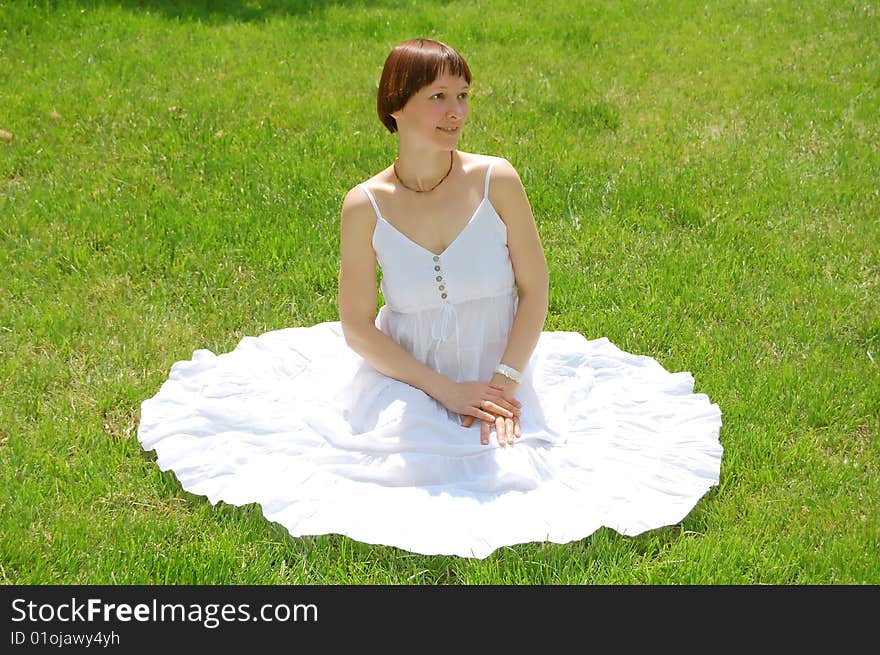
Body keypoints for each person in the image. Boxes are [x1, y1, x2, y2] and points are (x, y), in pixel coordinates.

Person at [138, 38, 723, 559]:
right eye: (439, 97)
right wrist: (445, 391)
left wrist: (502, 386)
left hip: (503, 366)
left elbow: (535, 289)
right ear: (396, 106)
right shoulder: (364, 205)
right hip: (410, 375)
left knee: (524, 468)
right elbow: (359, 328)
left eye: (463, 96)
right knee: (396, 472)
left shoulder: (497, 179)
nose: (456, 112)